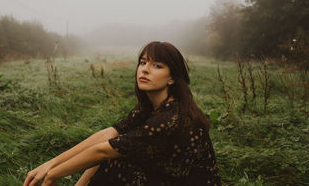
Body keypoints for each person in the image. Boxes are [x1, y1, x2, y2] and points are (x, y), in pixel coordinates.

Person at [23, 41, 221, 186]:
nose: (145, 70)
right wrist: (52, 163)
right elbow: (110, 134)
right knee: (114, 153)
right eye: (143, 62)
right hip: (166, 174)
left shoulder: (171, 118)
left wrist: (52, 174)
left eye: (157, 65)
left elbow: (103, 151)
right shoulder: (150, 107)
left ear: (171, 78)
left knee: (115, 162)